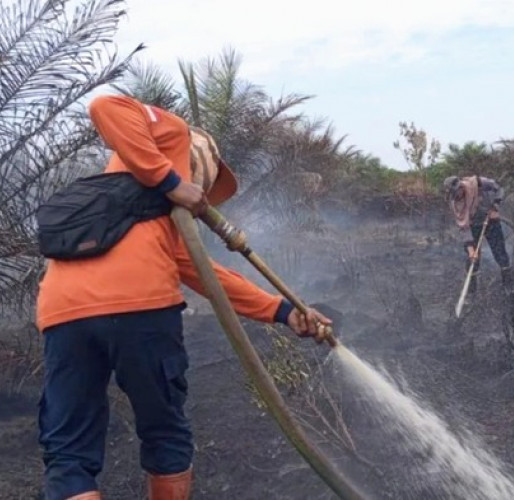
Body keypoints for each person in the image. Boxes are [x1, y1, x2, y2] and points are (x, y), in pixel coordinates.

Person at [35, 94, 332, 500]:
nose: (205, 192)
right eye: (208, 180)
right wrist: (173, 182)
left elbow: (205, 273)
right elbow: (106, 106)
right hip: (142, 309)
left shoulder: (133, 209)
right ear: (201, 155)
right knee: (165, 435)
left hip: (63, 313)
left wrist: (282, 311)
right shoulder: (173, 136)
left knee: (69, 454)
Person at [443, 175, 512, 294]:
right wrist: (471, 250)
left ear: (461, 187)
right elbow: (464, 227)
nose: (456, 196)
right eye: (453, 194)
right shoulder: (455, 204)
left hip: (490, 220)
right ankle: (471, 291)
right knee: (472, 259)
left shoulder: (478, 183)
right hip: (473, 226)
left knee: (500, 253)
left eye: (457, 192)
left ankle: (508, 284)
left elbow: (499, 189)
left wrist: (495, 206)